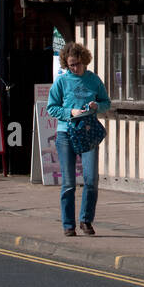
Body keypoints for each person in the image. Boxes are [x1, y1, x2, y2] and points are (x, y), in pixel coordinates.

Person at [47, 41, 110, 237]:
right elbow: (51, 107)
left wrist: (95, 107)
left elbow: (106, 102)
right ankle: (68, 224)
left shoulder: (93, 80)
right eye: (71, 64)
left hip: (87, 131)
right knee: (68, 183)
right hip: (66, 133)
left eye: (78, 64)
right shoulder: (62, 81)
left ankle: (85, 220)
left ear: (85, 61)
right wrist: (69, 112)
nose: (76, 68)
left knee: (91, 179)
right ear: (66, 64)